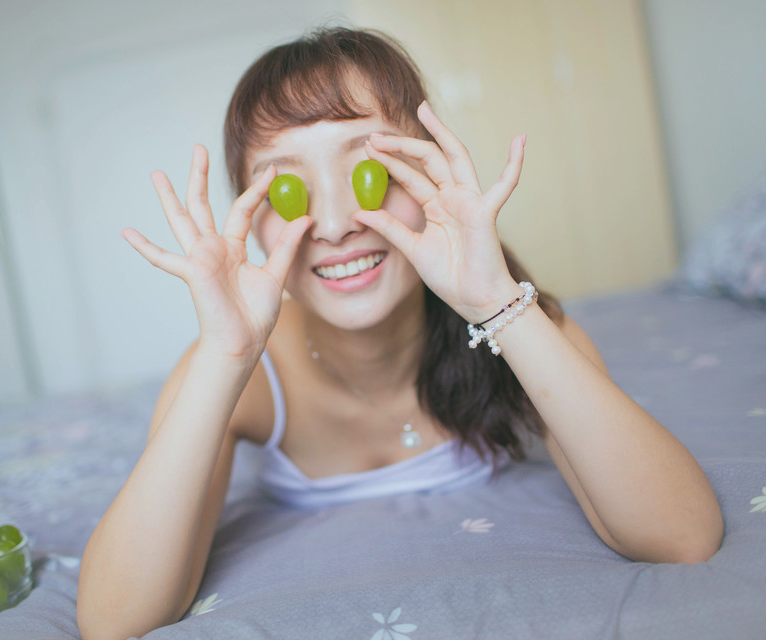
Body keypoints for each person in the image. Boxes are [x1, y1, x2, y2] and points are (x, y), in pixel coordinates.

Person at [76, 26, 723, 640]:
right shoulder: (241, 372)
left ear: (432, 176)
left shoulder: (515, 323)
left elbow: (683, 537)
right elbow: (114, 620)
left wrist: (496, 303)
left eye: (373, 173)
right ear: (250, 221)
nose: (333, 224)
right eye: (288, 190)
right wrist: (225, 355)